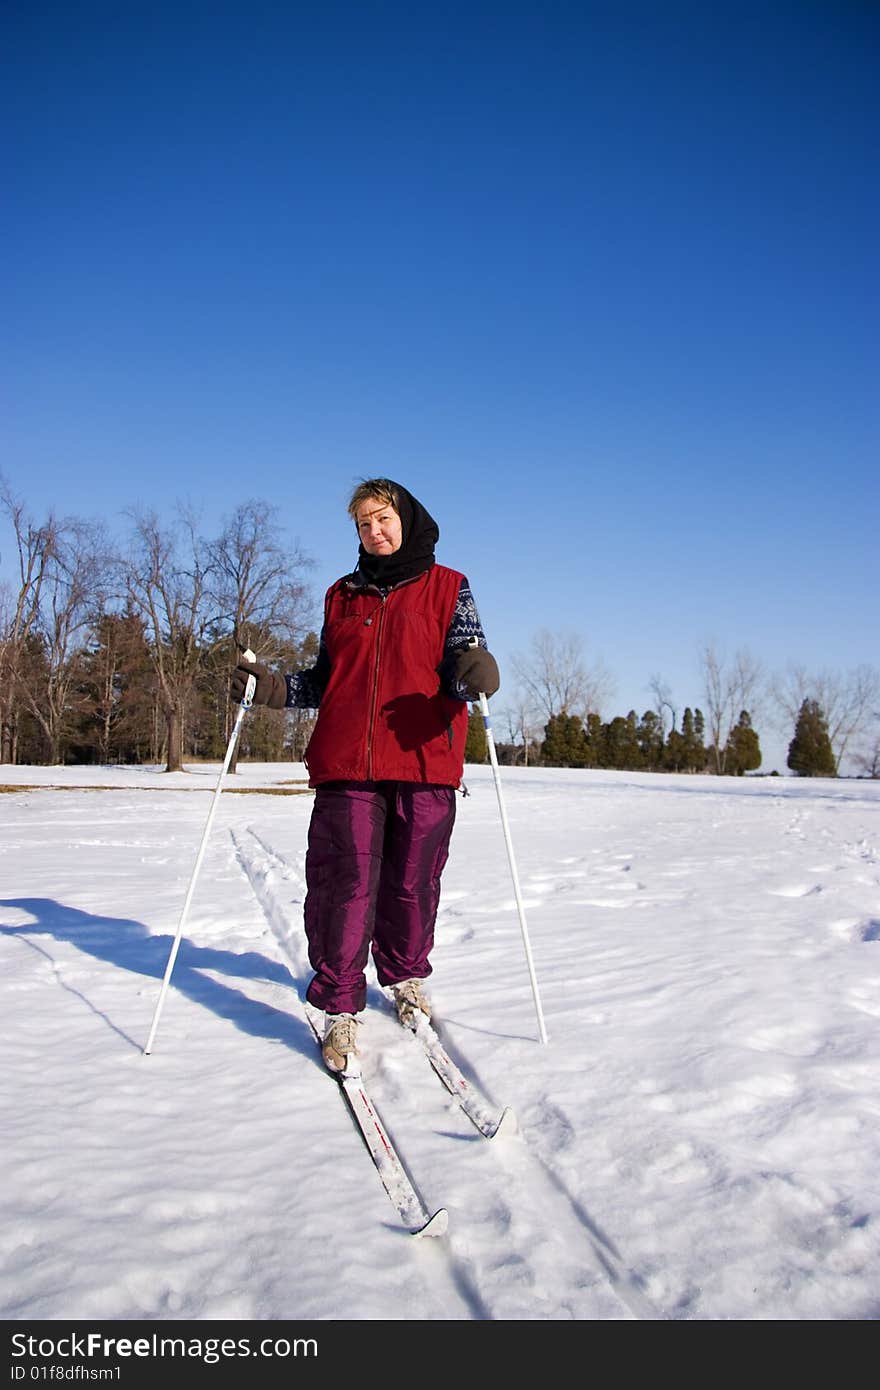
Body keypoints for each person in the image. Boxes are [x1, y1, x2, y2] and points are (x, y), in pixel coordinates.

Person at [231, 479, 499, 1075]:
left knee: (412, 881)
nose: (373, 532)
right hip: (348, 762)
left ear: (406, 518)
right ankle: (340, 1005)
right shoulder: (340, 596)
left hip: (425, 758)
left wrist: (472, 673)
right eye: (362, 525)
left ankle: (404, 978)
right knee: (343, 883)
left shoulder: (450, 587)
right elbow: (326, 678)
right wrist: (272, 685)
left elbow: (461, 662)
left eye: (382, 519)